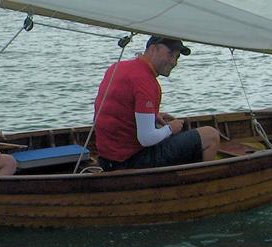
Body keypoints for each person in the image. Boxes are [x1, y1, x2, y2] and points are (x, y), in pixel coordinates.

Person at [93, 35, 220, 171]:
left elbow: (119, 110)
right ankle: (201, 185)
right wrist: (171, 128)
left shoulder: (117, 67)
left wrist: (153, 114)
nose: (173, 62)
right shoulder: (146, 81)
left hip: (107, 159)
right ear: (153, 49)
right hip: (129, 162)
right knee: (210, 135)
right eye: (170, 54)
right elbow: (146, 139)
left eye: (177, 57)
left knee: (160, 126)